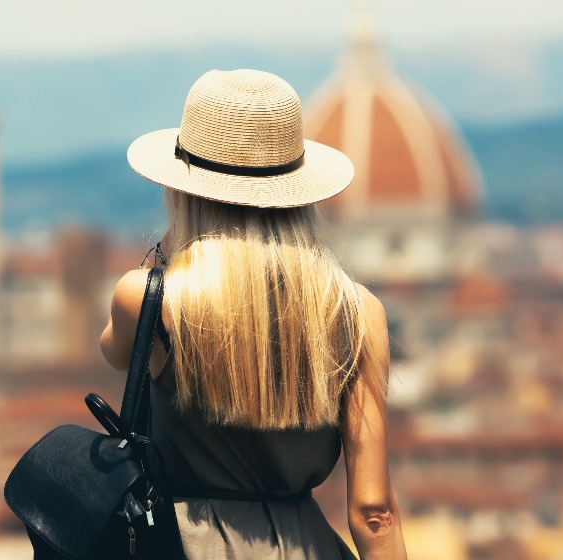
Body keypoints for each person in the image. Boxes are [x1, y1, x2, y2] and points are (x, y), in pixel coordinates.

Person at [99, 69, 408, 560]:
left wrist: (169, 257)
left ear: (181, 190)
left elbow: (115, 350)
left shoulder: (148, 300)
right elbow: (373, 511)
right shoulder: (359, 315)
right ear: (298, 194)